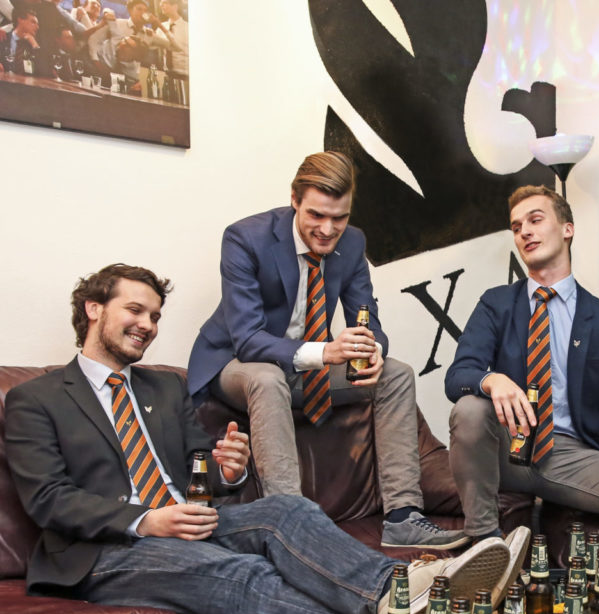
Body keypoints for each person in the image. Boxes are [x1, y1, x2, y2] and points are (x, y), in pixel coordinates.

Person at [3, 263, 523, 614]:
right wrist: (146, 520)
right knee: (244, 572)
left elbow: (200, 466)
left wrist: (228, 469)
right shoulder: (36, 399)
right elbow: (48, 499)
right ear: (94, 309)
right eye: (135, 311)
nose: (148, 324)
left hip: (192, 523)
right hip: (107, 550)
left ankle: (397, 591)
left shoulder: (163, 387)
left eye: (155, 316)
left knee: (287, 510)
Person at [187, 152, 466, 551]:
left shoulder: (352, 243)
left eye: (340, 218)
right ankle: (292, 524)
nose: (328, 229)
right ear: (294, 200)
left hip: (304, 367)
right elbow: (248, 340)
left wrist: (372, 349)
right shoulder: (245, 238)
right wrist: (326, 352)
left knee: (397, 373)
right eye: (316, 215)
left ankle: (403, 516)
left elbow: (367, 317)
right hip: (234, 362)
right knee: (267, 377)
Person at [446, 185, 599, 595]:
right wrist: (493, 379)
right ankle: (485, 546)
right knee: (470, 408)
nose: (524, 231)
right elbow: (458, 375)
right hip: (507, 448)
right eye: (516, 227)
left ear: (567, 228)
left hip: (569, 455)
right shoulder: (497, 304)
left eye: (535, 220)